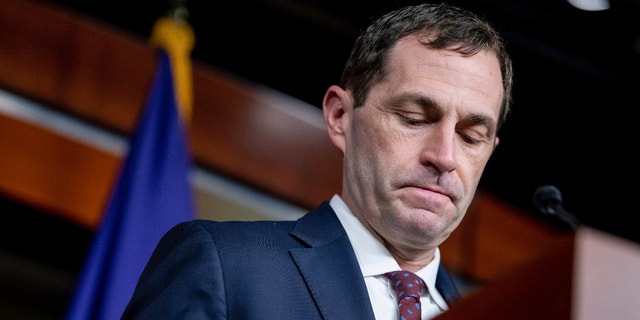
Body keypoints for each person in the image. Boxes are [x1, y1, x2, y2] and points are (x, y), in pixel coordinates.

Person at [121, 2, 513, 319]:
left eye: (470, 137)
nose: (444, 156)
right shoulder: (223, 267)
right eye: (413, 119)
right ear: (340, 117)